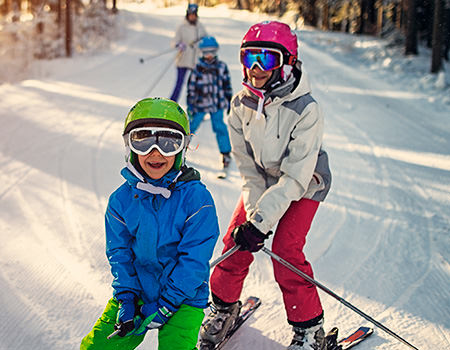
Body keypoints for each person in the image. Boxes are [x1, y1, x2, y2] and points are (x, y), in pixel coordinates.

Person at [199, 21, 332, 350]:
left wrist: (261, 224)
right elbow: (248, 170)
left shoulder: (306, 109)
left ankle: (309, 329)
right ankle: (223, 308)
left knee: (286, 250)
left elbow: (294, 179)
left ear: (287, 63)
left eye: (267, 59)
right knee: (235, 241)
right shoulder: (239, 105)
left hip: (302, 183)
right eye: (249, 57)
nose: (256, 68)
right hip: (263, 179)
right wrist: (254, 220)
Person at [80, 97, 220, 350]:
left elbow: (195, 260)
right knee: (97, 347)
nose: (156, 153)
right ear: (130, 146)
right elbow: (119, 254)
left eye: (169, 143)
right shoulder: (120, 201)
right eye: (143, 141)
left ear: (182, 148)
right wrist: (126, 298)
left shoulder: (197, 200)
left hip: (185, 296)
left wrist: (168, 303)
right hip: (137, 292)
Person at [187, 35, 233, 171]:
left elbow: (226, 84)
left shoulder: (221, 67)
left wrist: (229, 100)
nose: (209, 55)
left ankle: (225, 153)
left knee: (219, 127)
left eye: (212, 52)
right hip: (200, 104)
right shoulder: (198, 68)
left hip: (217, 103)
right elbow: (191, 87)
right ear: (201, 52)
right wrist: (191, 104)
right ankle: (179, 149)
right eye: (206, 52)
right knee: (191, 126)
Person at [170, 3, 207, 102]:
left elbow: (206, 40)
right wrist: (179, 45)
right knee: (179, 84)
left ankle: (196, 108)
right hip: (183, 60)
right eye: (190, 15)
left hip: (195, 62)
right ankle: (172, 103)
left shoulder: (200, 27)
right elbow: (174, 42)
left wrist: (200, 45)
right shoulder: (181, 27)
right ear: (187, 15)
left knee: (195, 85)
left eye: (194, 15)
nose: (192, 17)